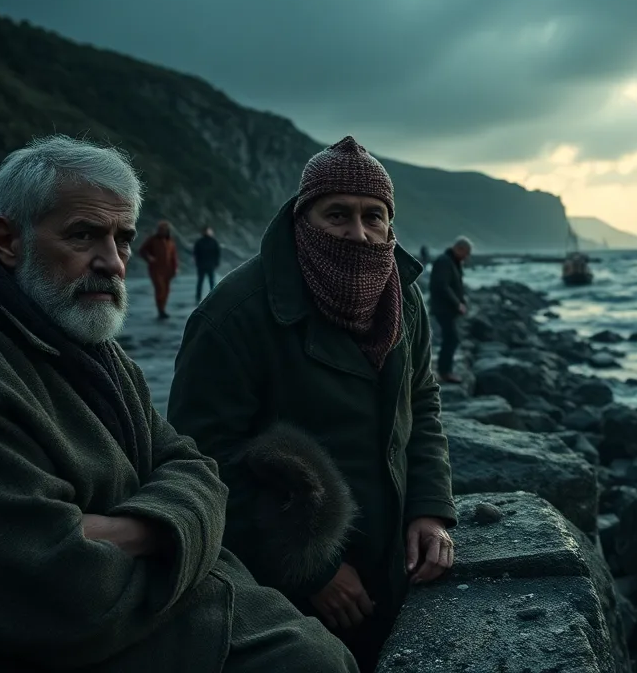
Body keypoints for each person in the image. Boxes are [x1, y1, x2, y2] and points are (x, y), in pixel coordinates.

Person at [0, 135, 358, 673]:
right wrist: (181, 532)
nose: (112, 262)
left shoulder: (70, 334)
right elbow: (62, 596)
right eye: (83, 235)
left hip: (157, 598)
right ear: (8, 240)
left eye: (124, 238)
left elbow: (195, 466)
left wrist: (143, 530)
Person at [167, 136, 457, 672]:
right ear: (304, 218)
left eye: (375, 216)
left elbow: (422, 402)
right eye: (338, 214)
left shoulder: (403, 295)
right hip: (279, 580)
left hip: (394, 558)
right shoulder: (235, 316)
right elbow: (200, 463)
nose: (359, 232)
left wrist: (430, 509)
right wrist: (313, 568)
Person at [428, 237, 472, 383]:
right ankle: (445, 372)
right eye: (466, 253)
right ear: (459, 249)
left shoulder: (452, 262)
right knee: (452, 339)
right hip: (443, 309)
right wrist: (457, 303)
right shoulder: (444, 262)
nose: (467, 257)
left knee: (450, 339)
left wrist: (461, 301)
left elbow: (454, 285)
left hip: (446, 308)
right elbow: (443, 286)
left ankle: (445, 370)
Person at [138, 220, 179, 320]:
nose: (163, 231)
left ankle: (163, 309)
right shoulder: (152, 240)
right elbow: (142, 251)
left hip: (168, 270)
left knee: (166, 290)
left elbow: (174, 257)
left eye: (165, 229)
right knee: (160, 289)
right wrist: (149, 258)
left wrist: (175, 268)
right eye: (161, 229)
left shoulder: (170, 241)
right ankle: (161, 310)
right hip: (156, 269)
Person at [193, 225, 221, 303]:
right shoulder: (199, 242)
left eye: (208, 231)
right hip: (201, 265)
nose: (207, 232)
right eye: (205, 231)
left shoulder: (213, 242)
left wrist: (216, 263)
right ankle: (198, 297)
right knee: (200, 282)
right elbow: (196, 253)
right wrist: (197, 263)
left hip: (210, 265)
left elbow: (217, 253)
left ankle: (213, 296)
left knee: (211, 282)